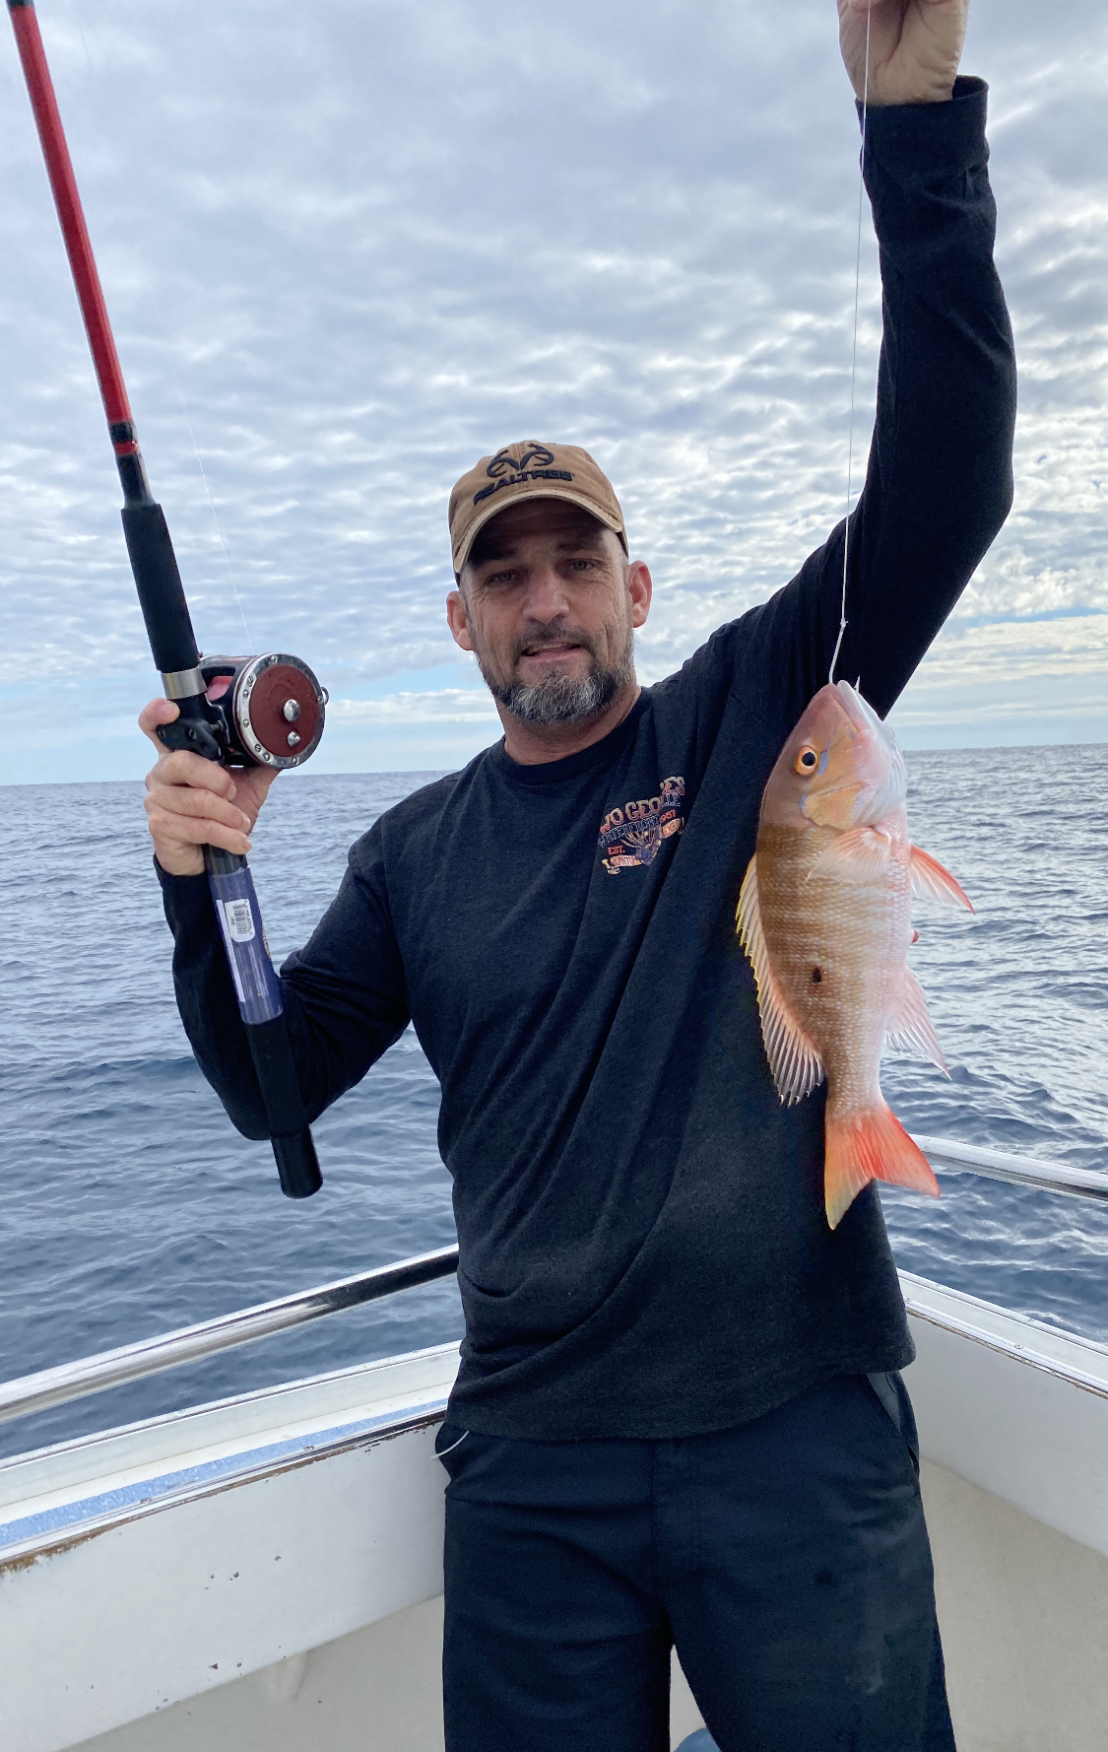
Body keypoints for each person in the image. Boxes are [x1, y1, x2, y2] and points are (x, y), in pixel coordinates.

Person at [140, 1, 1015, 1746]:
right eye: (505, 573)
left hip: (795, 1425)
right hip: (536, 1465)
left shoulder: (759, 711)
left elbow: (948, 479)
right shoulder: (412, 854)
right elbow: (268, 1083)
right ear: (459, 620)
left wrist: (912, 134)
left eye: (576, 560)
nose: (545, 600)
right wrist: (198, 882)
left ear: (636, 586)